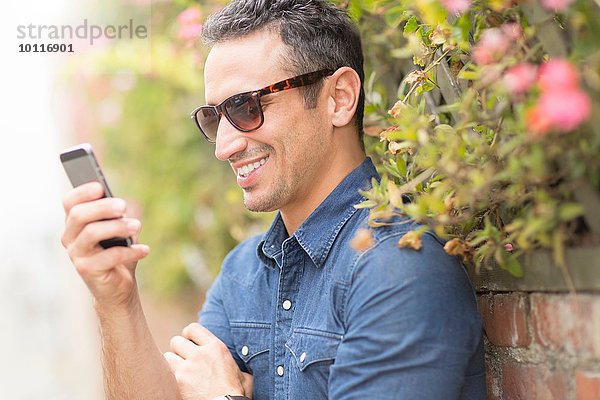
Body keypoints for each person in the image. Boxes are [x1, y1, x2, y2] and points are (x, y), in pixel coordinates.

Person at [61, 0, 486, 399]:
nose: (224, 146)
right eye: (214, 117)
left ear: (338, 98)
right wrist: (116, 301)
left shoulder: (398, 269)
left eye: (246, 107)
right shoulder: (244, 272)